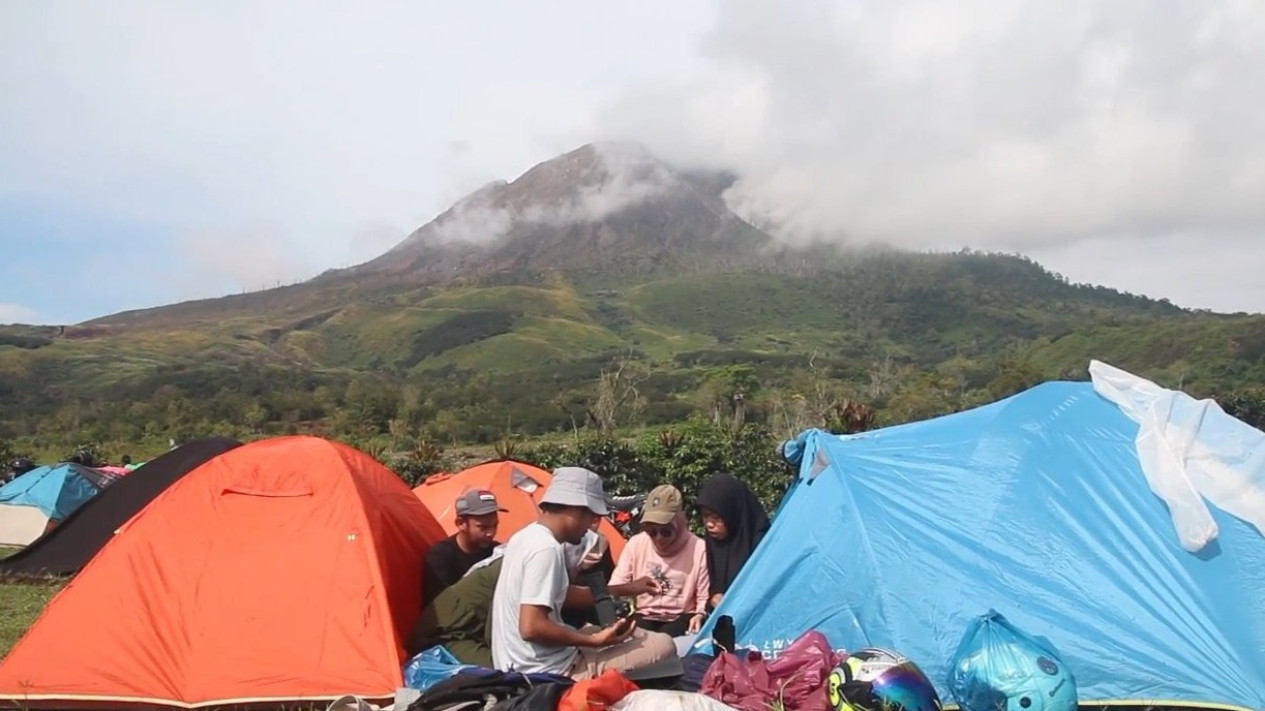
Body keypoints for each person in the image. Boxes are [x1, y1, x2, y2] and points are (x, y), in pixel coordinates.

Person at [490, 466, 676, 679]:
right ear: (577, 511)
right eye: (592, 518)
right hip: (547, 670)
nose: (591, 527)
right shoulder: (546, 550)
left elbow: (563, 595)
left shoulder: (525, 536)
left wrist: (627, 588)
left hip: (516, 662)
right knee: (664, 644)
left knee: (629, 633)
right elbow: (531, 627)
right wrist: (594, 642)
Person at [609, 484, 709, 637]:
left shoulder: (699, 548)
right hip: (645, 614)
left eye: (666, 531)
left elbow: (703, 597)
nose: (659, 538)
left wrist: (700, 614)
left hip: (682, 616)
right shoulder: (636, 543)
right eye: (652, 532)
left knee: (665, 642)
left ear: (680, 522)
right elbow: (615, 586)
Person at [422, 489, 508, 609]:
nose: (491, 533)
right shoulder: (440, 556)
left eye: (495, 526)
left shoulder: (496, 553)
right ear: (461, 523)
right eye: (483, 527)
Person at [696, 472, 770, 610]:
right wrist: (713, 598)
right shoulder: (713, 543)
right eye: (705, 516)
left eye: (716, 517)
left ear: (732, 513)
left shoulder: (761, 544)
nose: (709, 524)